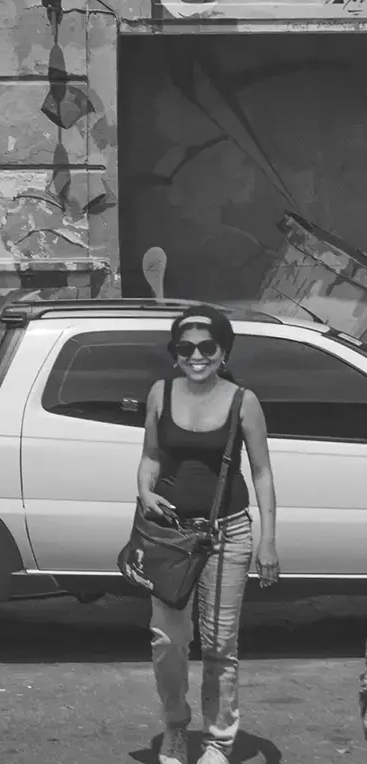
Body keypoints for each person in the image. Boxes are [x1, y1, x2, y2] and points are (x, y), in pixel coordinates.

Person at [137, 304, 279, 763]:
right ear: (175, 352)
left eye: (206, 347)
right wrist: (144, 489)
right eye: (185, 347)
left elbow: (261, 472)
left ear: (223, 350)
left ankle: (218, 740)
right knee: (168, 640)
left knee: (220, 645)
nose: (196, 356)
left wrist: (268, 541)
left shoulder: (244, 401)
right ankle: (176, 728)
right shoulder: (160, 392)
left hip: (228, 533)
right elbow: (151, 456)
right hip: (170, 535)